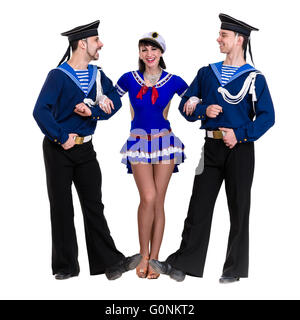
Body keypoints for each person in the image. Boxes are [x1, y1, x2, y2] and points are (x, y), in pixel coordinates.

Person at [149, 13, 275, 283]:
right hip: (211, 148)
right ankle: (182, 265)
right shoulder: (207, 73)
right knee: (199, 205)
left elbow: (267, 117)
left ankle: (234, 270)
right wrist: (205, 108)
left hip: (240, 150)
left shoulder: (254, 78)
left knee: (239, 208)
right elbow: (186, 107)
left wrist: (240, 134)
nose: (218, 39)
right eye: (220, 34)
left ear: (239, 40)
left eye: (224, 35)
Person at [33, 20, 141, 280]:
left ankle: (109, 264)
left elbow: (115, 99)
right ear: (82, 44)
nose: (100, 44)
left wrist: (97, 107)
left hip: (86, 151)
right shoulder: (58, 76)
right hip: (59, 149)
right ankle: (65, 267)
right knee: (61, 207)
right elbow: (40, 111)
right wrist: (61, 136)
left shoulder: (98, 75)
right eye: (96, 41)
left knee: (94, 205)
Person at [115, 32, 188, 279]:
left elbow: (193, 97)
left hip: (164, 142)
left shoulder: (174, 80)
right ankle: (142, 255)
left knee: (158, 200)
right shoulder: (129, 78)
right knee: (148, 196)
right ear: (139, 53)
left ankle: (154, 259)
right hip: (137, 142)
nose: (149, 54)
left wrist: (196, 100)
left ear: (161, 53)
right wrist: (100, 99)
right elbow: (111, 98)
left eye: (154, 50)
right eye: (144, 49)